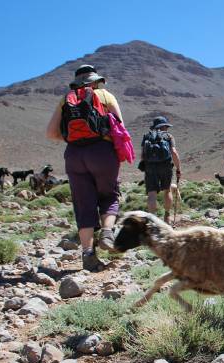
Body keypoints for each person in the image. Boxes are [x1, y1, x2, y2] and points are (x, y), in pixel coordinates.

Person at [45, 64, 122, 272]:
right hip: (102, 152)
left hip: (74, 155)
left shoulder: (66, 99)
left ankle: (88, 254)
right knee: (109, 195)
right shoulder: (106, 96)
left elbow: (51, 133)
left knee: (83, 203)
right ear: (96, 80)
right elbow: (119, 127)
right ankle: (107, 232)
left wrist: (73, 138)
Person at [141, 116, 182, 223]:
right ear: (164, 126)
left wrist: (146, 165)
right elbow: (173, 152)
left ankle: (152, 220)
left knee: (151, 194)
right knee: (167, 190)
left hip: (150, 167)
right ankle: (167, 216)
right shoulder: (168, 136)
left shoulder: (147, 136)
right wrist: (178, 168)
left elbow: (142, 155)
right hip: (166, 166)